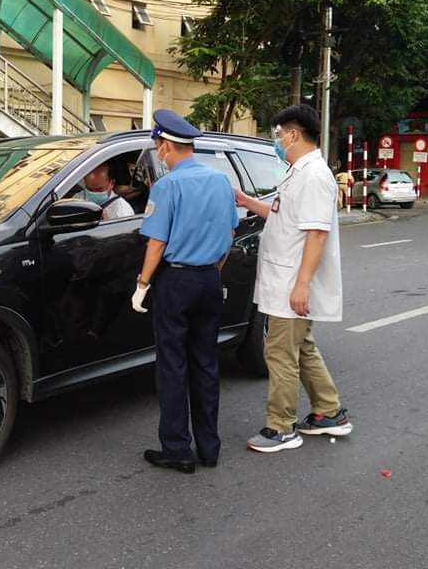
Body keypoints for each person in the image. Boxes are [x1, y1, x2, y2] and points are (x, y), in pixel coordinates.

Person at [234, 104, 353, 453]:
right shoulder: (297, 172)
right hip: (284, 279)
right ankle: (328, 412)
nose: (277, 141)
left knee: (280, 352)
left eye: (278, 134)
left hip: (291, 283)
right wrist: (244, 200)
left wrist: (302, 285)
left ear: (293, 134)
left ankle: (281, 427)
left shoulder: (314, 175)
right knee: (302, 348)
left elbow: (316, 233)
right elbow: (277, 212)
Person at [132, 109, 237, 473]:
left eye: (159, 146)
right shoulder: (221, 181)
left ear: (165, 146)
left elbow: (156, 243)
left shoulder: (168, 185)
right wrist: (211, 270)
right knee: (206, 364)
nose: (159, 152)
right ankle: (209, 448)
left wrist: (143, 284)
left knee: (173, 366)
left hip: (175, 283)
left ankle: (177, 448)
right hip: (210, 280)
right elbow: (229, 236)